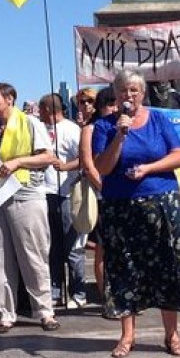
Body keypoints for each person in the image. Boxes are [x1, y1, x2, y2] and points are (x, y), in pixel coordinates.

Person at [93, 69, 180, 358]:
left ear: (142, 94)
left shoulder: (159, 119)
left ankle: (172, 335)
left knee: (168, 267)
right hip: (121, 207)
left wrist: (149, 168)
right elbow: (102, 168)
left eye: (134, 91)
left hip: (161, 203)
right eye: (123, 91)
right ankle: (127, 336)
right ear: (115, 95)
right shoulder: (104, 126)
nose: (128, 96)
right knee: (123, 268)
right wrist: (120, 135)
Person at [0, 83, 59, 333]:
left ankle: (45, 311)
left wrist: (18, 161)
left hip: (25, 194)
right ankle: (6, 314)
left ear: (10, 99)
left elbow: (48, 157)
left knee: (33, 254)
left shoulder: (31, 123)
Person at [38, 93, 86, 308]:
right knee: (52, 248)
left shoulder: (72, 129)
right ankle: (55, 292)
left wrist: (65, 167)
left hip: (67, 193)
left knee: (72, 247)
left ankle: (79, 293)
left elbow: (85, 158)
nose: (39, 114)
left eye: (41, 109)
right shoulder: (39, 130)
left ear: (48, 109)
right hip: (45, 194)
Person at [78, 87, 118, 314]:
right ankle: (108, 300)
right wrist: (105, 187)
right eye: (110, 103)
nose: (114, 108)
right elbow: (88, 165)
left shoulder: (122, 126)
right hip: (103, 195)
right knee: (103, 249)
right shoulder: (91, 129)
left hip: (124, 195)